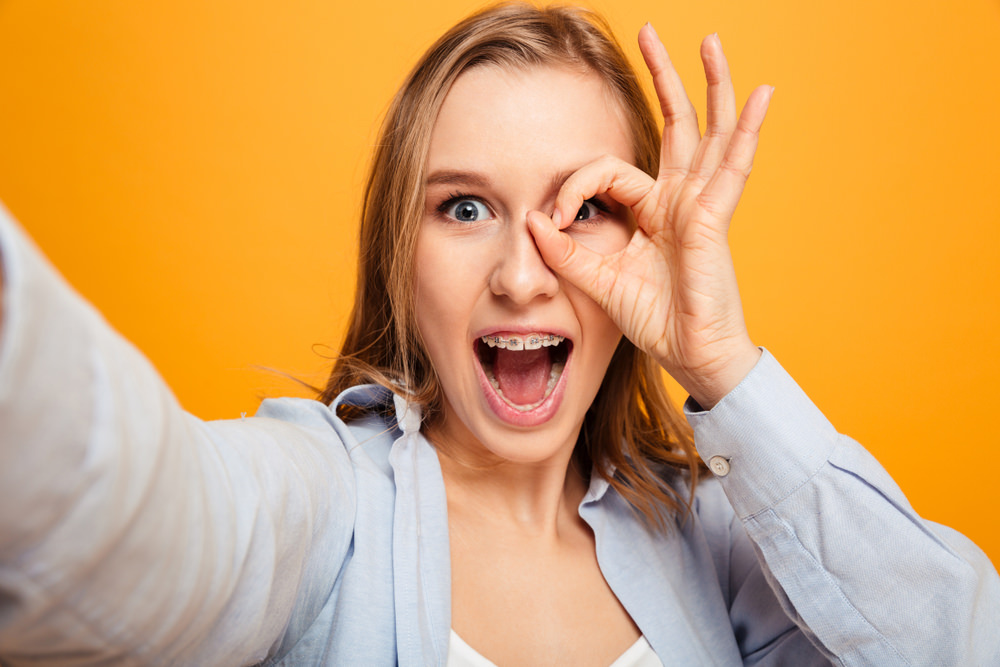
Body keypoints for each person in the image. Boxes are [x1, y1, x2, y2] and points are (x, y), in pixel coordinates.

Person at [0, 3, 997, 665]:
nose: (522, 277)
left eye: (582, 209)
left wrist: (725, 368)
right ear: (398, 250)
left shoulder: (721, 543)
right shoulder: (323, 502)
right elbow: (147, 528)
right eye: (464, 208)